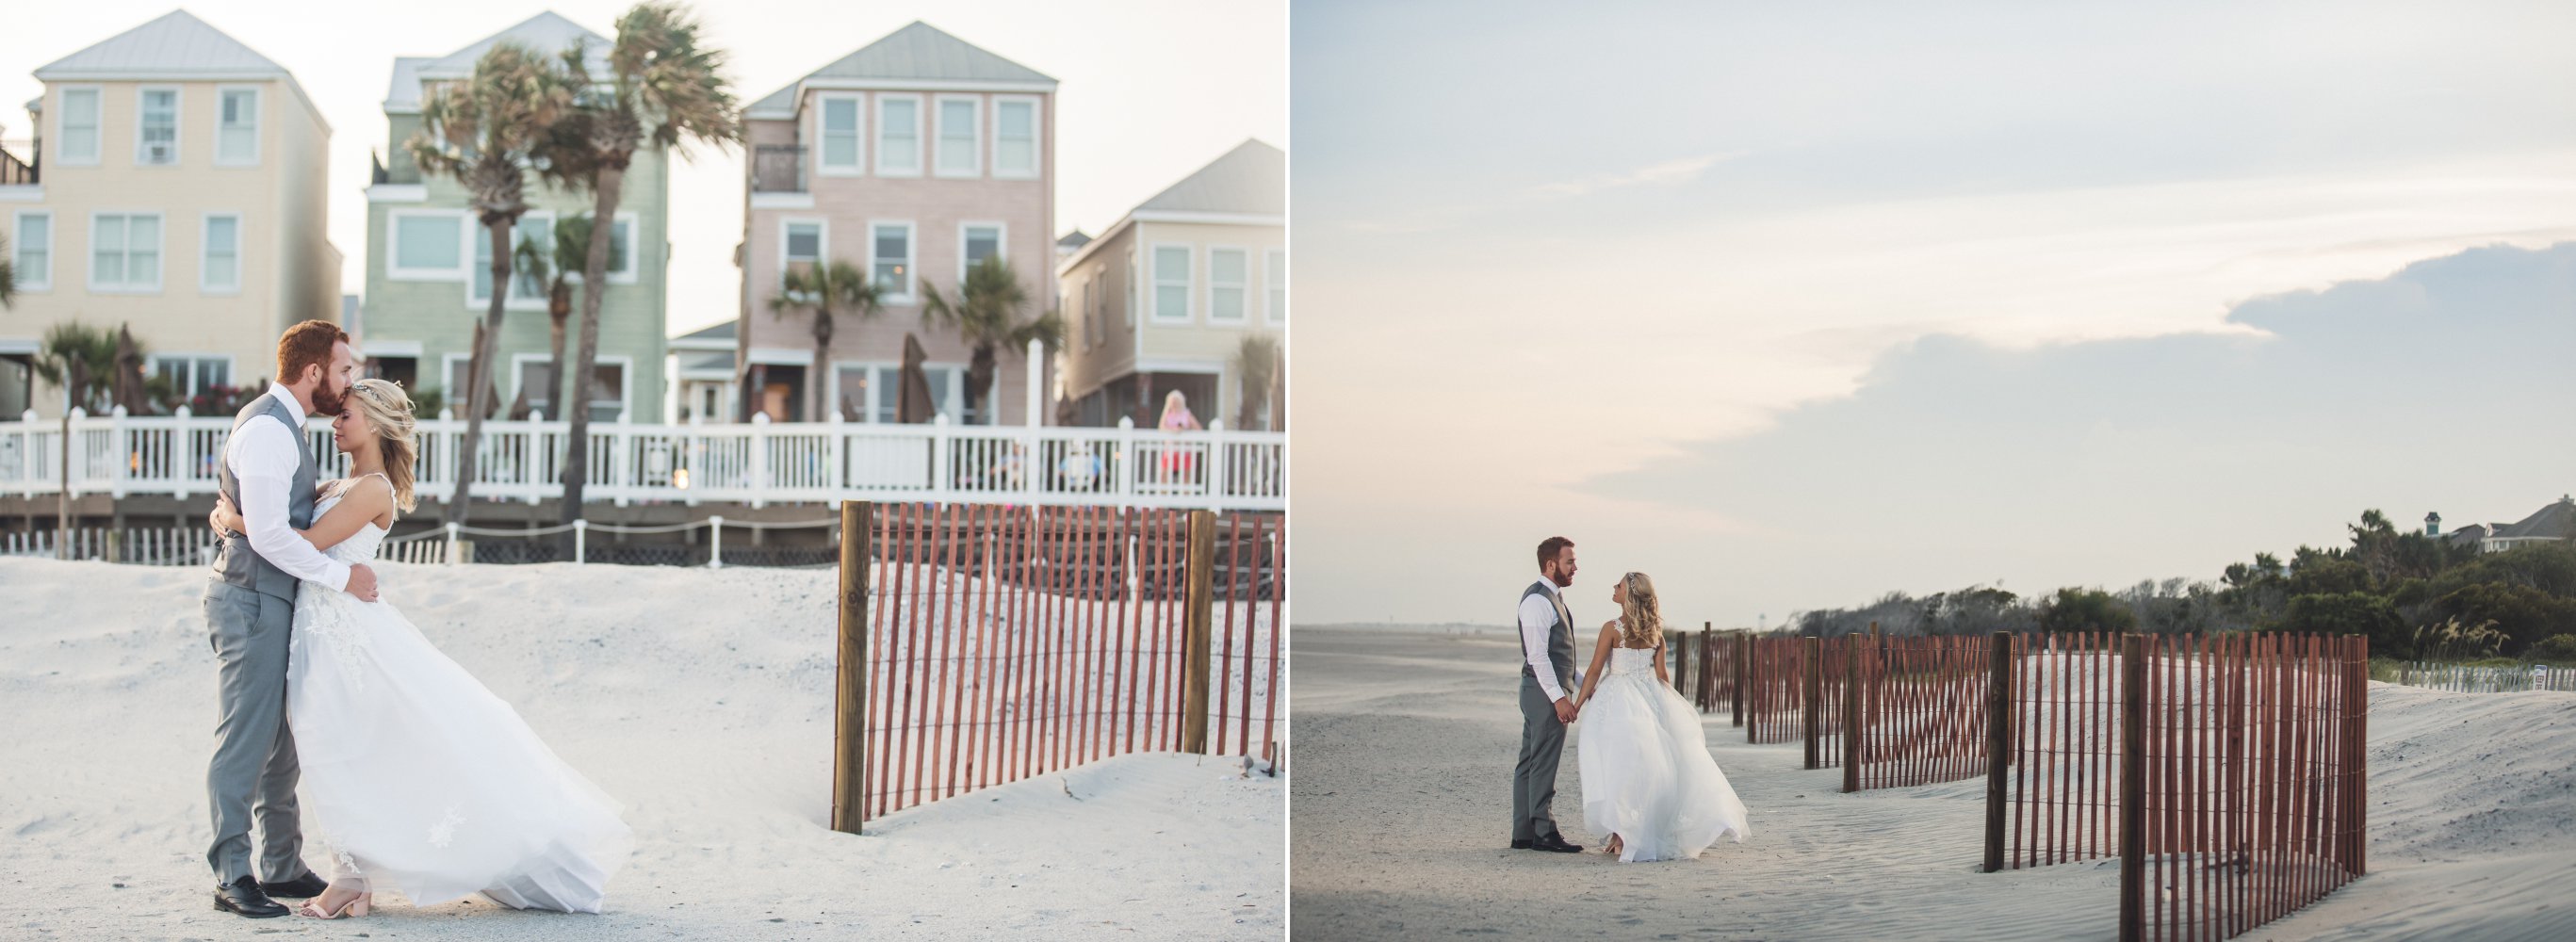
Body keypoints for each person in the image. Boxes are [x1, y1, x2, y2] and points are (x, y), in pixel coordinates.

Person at [211, 378, 631, 918]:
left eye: (347, 416)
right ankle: (351, 878)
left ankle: (348, 880)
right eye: (338, 415)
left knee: (344, 744)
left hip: (346, 635)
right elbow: (287, 528)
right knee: (329, 745)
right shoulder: (339, 484)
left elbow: (300, 544)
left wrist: (231, 521)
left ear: (377, 425)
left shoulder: (373, 489)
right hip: (317, 631)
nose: (336, 424)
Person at [202, 320, 370, 918]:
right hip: (250, 599)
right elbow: (271, 534)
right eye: (345, 369)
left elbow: (262, 512)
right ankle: (232, 873)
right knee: (247, 736)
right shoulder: (271, 430)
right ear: (313, 371)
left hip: (271, 600)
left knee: (281, 739)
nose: (350, 382)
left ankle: (280, 862)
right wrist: (340, 577)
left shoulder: (283, 428)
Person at [1572, 572, 1752, 861]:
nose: (1613, 588)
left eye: (1618, 585)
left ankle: (1624, 833)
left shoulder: (1612, 628)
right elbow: (1663, 677)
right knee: (1648, 768)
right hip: (1649, 697)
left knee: (1619, 765)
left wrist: (1578, 704)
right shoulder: (1655, 633)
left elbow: (1593, 671)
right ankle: (1625, 832)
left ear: (1628, 594)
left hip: (1618, 700)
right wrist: (1667, 708)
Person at [1510, 536, 1585, 853]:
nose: (1575, 568)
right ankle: (1543, 832)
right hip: (1543, 693)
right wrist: (1559, 698)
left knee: (1529, 762)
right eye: (1570, 562)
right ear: (1551, 564)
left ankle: (1524, 833)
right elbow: (1538, 657)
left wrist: (1585, 685)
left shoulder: (1552, 599)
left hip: (1541, 690)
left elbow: (1559, 657)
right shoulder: (1538, 601)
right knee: (1542, 763)